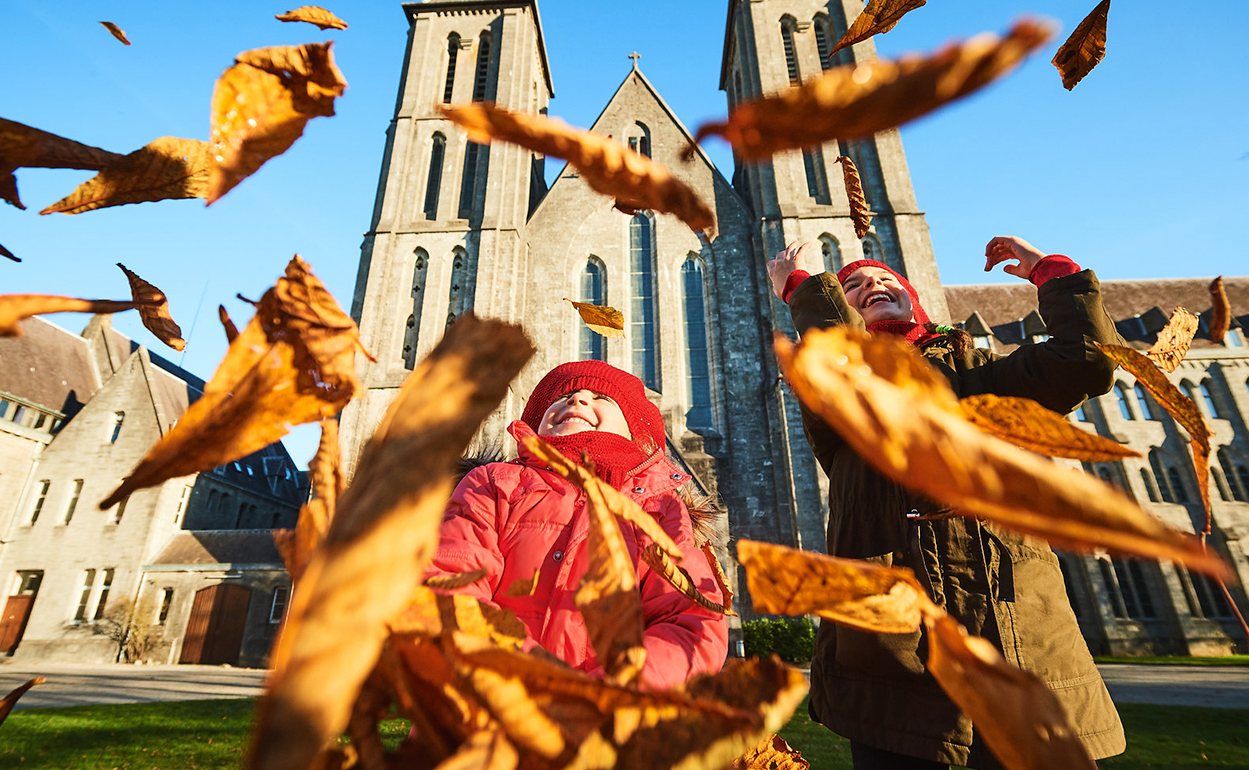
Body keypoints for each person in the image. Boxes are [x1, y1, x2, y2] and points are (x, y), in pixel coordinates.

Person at [767, 235, 1127, 770]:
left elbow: (1087, 362)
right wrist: (806, 293)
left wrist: (1051, 273)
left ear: (918, 302)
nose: (873, 284)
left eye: (887, 280)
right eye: (855, 287)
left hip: (1020, 638)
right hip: (893, 655)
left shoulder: (984, 375)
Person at [425, 360, 730, 690]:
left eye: (601, 397)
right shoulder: (496, 483)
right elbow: (449, 581)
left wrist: (605, 697)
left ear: (633, 433)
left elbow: (691, 621)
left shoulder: (658, 512)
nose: (577, 398)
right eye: (564, 394)